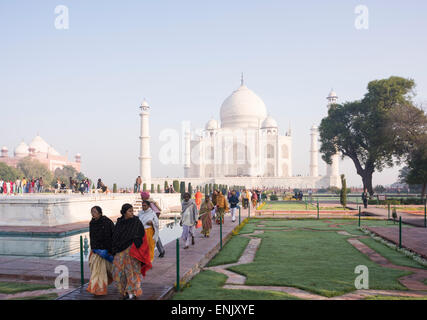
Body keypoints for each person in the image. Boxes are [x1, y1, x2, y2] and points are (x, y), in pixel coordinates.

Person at [112, 203, 151, 300]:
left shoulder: (136, 221)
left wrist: (135, 241)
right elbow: (115, 236)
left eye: (132, 211)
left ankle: (132, 292)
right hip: (120, 251)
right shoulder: (120, 222)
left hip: (132, 251)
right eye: (130, 211)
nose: (132, 213)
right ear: (124, 212)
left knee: (132, 272)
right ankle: (124, 291)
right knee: (118, 272)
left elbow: (141, 234)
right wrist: (114, 248)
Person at [87, 206, 115, 296]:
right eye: (92, 212)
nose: (92, 214)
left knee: (107, 271)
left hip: (105, 251)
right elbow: (92, 237)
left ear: (99, 213)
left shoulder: (107, 222)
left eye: (94, 212)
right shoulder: (92, 223)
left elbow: (111, 236)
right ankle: (98, 290)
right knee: (97, 271)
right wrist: (94, 248)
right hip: (96, 251)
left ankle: (99, 289)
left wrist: (109, 250)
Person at [140, 191, 165, 258]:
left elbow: (157, 212)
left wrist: (153, 221)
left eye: (142, 196)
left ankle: (161, 251)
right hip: (146, 226)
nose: (141, 197)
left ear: (145, 197)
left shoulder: (150, 203)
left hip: (151, 225)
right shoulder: (146, 203)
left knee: (155, 237)